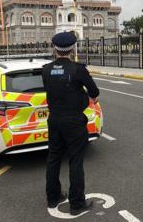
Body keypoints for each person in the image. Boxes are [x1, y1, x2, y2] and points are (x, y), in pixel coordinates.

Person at [42, 32, 99, 215]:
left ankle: (53, 197)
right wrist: (87, 96)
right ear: (72, 48)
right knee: (75, 161)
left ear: (55, 48)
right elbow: (94, 91)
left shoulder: (46, 69)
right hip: (73, 121)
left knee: (53, 158)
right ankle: (76, 204)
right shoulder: (78, 69)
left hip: (55, 120)